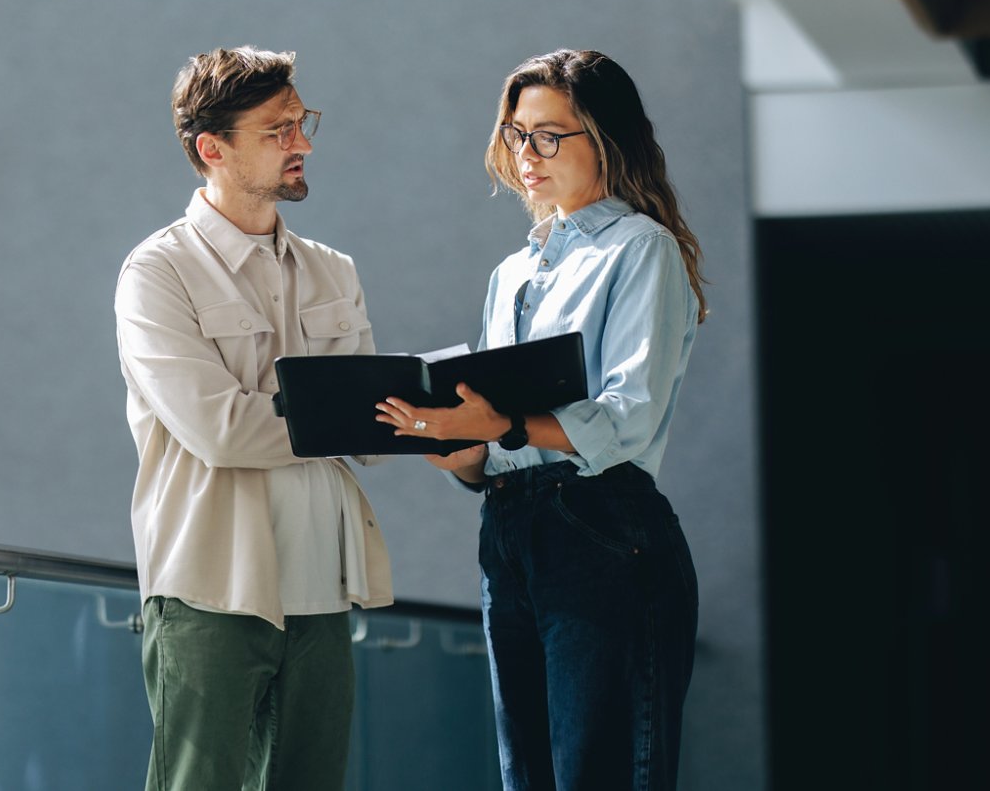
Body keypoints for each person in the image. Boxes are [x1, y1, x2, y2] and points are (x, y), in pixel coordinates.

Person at [374, 49, 703, 791]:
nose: (527, 154)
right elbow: (496, 437)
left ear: (607, 141)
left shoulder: (640, 248)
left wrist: (506, 427)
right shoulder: (512, 273)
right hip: (509, 528)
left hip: (601, 524)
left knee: (599, 774)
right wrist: (457, 445)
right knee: (527, 776)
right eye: (516, 134)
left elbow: (627, 416)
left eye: (550, 136)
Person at [116, 46, 393, 791]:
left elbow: (374, 429)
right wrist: (339, 417)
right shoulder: (157, 272)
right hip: (211, 589)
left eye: (303, 122)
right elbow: (220, 431)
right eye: (278, 130)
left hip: (324, 590)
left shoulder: (335, 269)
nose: (303, 143)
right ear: (212, 149)